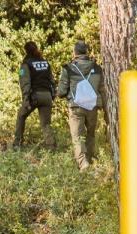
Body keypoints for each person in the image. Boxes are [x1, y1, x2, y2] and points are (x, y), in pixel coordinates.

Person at [56, 40, 103, 171]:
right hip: (92, 106)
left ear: (74, 52)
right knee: (91, 134)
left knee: (77, 136)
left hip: (76, 106)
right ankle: (91, 158)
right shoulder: (97, 68)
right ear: (86, 51)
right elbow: (102, 89)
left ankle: (83, 163)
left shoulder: (69, 68)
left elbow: (61, 92)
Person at [13, 41, 56, 150]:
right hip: (47, 96)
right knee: (46, 124)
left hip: (34, 97)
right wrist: (52, 95)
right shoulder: (45, 63)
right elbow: (52, 80)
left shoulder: (26, 64)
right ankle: (51, 147)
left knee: (21, 116)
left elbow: (25, 83)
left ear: (26, 51)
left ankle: (17, 144)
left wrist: (26, 100)